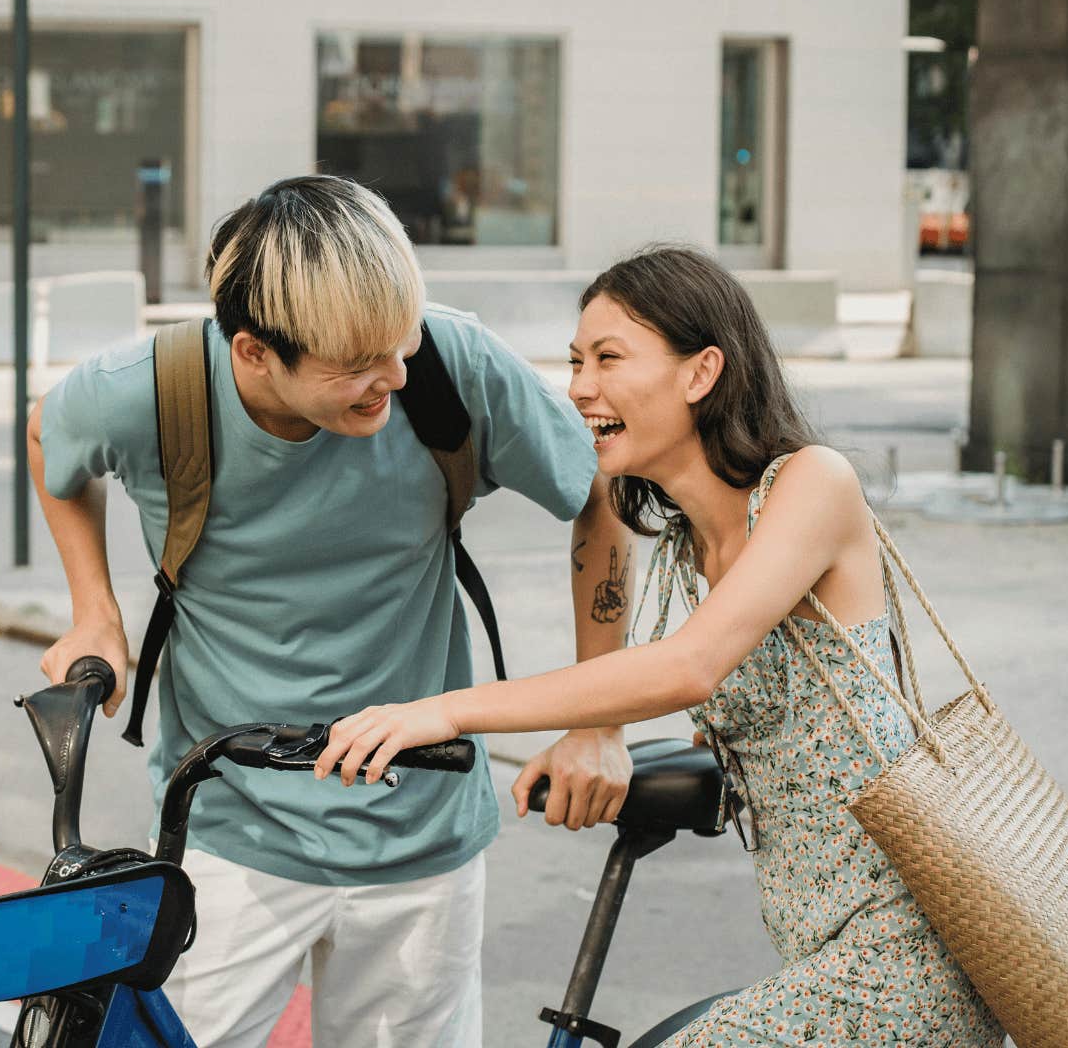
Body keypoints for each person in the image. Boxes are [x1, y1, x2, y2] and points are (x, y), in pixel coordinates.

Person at [315, 245, 1007, 1046]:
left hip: (903, 956)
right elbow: (767, 726)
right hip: (819, 949)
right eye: (576, 360)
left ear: (700, 372)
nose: (579, 387)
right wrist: (591, 743)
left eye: (609, 358)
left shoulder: (812, 484)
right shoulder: (685, 545)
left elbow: (687, 667)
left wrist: (442, 713)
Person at [27, 174, 634, 1048]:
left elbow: (599, 489)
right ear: (253, 353)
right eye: (356, 364)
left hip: (422, 831)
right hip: (233, 825)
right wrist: (95, 611)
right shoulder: (148, 391)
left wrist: (597, 718)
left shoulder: (450, 365)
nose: (393, 375)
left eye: (401, 344)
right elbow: (49, 431)